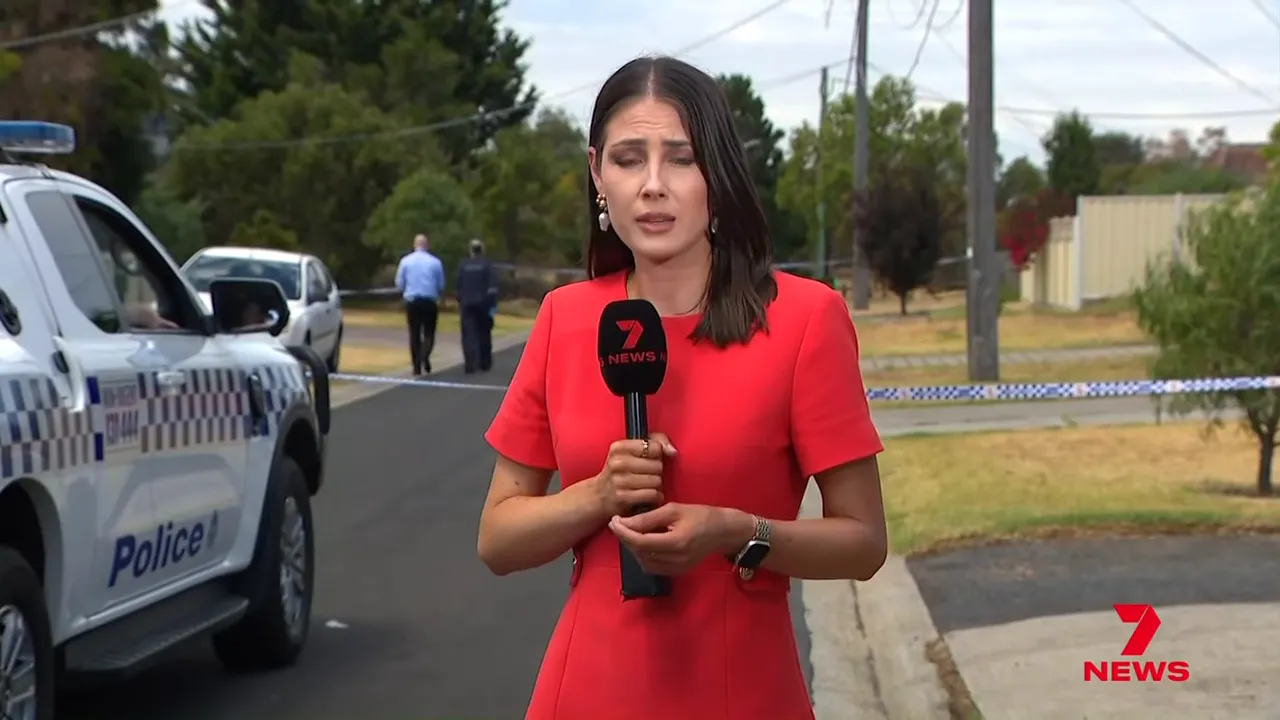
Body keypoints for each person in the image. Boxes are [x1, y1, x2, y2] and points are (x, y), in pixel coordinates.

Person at [477, 56, 887, 720]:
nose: (653, 186)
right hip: (586, 689)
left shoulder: (805, 320)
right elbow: (497, 539)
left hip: (741, 691)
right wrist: (598, 496)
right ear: (597, 175)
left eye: (681, 159)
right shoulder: (564, 319)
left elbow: (864, 542)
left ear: (717, 173)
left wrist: (736, 532)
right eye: (628, 159)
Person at [395, 233, 445, 375]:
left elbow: (399, 283)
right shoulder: (435, 262)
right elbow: (441, 284)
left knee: (414, 333)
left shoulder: (405, 261)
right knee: (429, 333)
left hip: (412, 301)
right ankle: (424, 356)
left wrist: (405, 291)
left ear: (414, 245)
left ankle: (416, 366)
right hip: (429, 300)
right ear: (427, 245)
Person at [455, 238, 497, 373]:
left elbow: (458, 285)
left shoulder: (463, 265)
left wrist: (460, 300)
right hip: (483, 303)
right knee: (484, 333)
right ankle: (485, 362)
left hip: (467, 303)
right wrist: (492, 305)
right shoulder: (487, 265)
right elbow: (493, 287)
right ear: (482, 250)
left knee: (468, 334)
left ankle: (470, 363)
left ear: (471, 251)